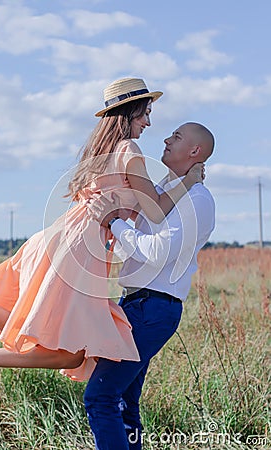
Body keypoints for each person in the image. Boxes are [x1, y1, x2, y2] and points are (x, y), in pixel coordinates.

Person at [0, 78, 202, 381]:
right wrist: (190, 180)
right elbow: (156, 209)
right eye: (145, 112)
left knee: (60, 337)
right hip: (79, 247)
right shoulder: (128, 148)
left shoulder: (102, 151)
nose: (148, 122)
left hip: (63, 237)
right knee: (72, 348)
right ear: (130, 112)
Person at [84, 121, 215, 449]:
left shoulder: (198, 199)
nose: (167, 139)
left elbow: (158, 252)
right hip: (136, 304)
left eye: (177, 136)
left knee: (101, 396)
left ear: (195, 151)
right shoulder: (168, 193)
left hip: (154, 308)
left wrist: (112, 222)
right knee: (124, 402)